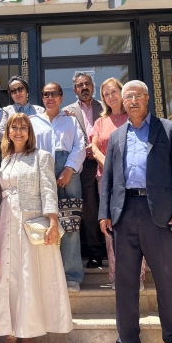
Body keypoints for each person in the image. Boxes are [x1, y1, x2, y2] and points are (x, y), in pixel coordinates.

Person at [98, 80, 172, 343]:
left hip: (160, 215)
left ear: (147, 98)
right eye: (128, 96)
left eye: (137, 95)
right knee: (125, 281)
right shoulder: (117, 136)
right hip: (125, 212)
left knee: (166, 279)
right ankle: (127, 340)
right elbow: (109, 178)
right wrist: (104, 212)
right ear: (123, 102)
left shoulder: (168, 129)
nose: (132, 100)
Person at [0, 113, 73, 343]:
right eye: (14, 127)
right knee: (7, 276)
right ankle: (9, 335)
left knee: (28, 276)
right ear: (8, 132)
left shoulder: (41, 156)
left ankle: (28, 336)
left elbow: (48, 190)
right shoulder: (6, 160)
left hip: (30, 222)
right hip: (6, 223)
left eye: (23, 127)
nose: (18, 131)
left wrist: (53, 222)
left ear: (29, 132)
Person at [91, 78, 146, 290]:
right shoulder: (100, 122)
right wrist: (111, 166)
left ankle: (138, 277)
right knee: (111, 227)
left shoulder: (134, 118)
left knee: (135, 227)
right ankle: (117, 277)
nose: (110, 97)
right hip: (106, 180)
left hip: (132, 179)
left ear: (121, 93)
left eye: (113, 92)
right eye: (106, 94)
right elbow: (94, 148)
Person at [30, 82, 85, 292]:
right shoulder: (33, 122)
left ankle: (71, 276)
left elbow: (80, 146)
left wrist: (69, 169)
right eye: (46, 94)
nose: (50, 98)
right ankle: (48, 275)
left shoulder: (71, 120)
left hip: (68, 171)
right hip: (41, 170)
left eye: (54, 94)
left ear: (61, 97)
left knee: (70, 223)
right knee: (44, 221)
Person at [63, 72, 103, 269]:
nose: (84, 87)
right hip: (83, 166)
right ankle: (95, 253)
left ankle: (116, 250)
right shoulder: (67, 111)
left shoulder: (104, 107)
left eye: (87, 84)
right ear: (75, 90)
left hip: (104, 162)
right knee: (89, 209)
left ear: (93, 87)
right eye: (80, 85)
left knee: (111, 205)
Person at [0, 75, 44, 140]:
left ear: (26, 90)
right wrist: (17, 141)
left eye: (20, 89)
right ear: (10, 94)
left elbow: (44, 131)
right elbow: (0, 133)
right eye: (13, 91)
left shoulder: (39, 111)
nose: (17, 93)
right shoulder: (6, 111)